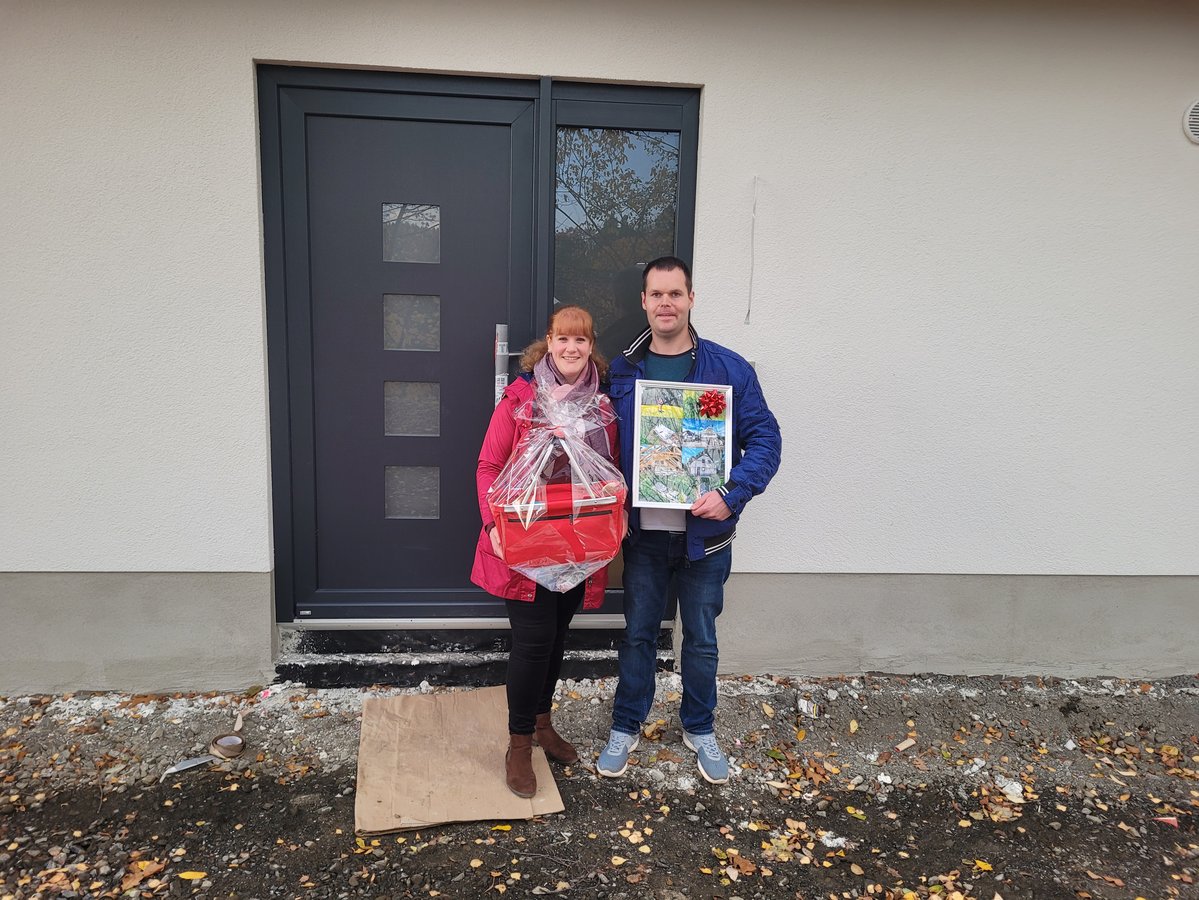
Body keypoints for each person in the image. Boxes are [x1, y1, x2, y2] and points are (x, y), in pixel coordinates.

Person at [597, 256, 782, 784]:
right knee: (637, 634)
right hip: (644, 535)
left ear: (691, 299)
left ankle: (699, 727)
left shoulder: (728, 369)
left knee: (700, 638)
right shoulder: (623, 370)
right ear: (643, 302)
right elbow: (594, 432)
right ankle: (626, 724)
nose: (666, 304)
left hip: (707, 537)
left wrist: (732, 493)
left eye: (675, 294)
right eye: (656, 294)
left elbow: (766, 440)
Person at [472, 306, 620, 799]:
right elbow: (488, 466)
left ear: (590, 346)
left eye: (581, 340)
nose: (571, 348)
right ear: (549, 343)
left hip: (578, 541)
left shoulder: (601, 405)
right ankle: (518, 744)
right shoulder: (520, 399)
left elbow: (610, 472)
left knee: (556, 637)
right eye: (563, 339)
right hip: (525, 537)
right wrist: (492, 524)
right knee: (533, 641)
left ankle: (542, 723)